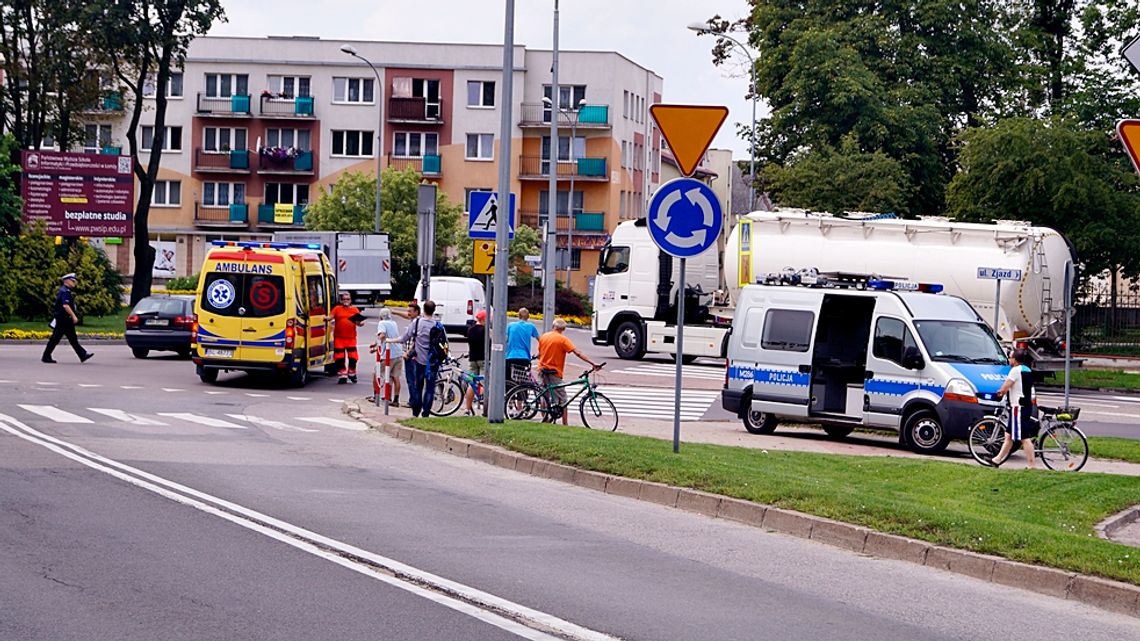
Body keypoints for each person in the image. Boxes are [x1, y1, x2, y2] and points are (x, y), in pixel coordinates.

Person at [537, 318, 601, 425]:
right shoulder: (563, 340)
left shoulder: (544, 337)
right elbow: (578, 353)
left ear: (553, 326)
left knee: (544, 395)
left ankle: (545, 419)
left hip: (542, 370)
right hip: (554, 372)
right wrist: (592, 363)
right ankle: (565, 424)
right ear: (563, 329)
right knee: (563, 398)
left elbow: (540, 354)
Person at [396, 299, 442, 418]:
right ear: (434, 311)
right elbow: (444, 343)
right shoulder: (438, 325)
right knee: (430, 388)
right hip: (433, 362)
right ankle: (425, 413)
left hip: (419, 360)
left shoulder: (417, 323)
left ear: (423, 309)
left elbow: (405, 338)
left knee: (418, 387)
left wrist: (390, 340)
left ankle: (415, 413)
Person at [993, 347, 1037, 469]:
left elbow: (1007, 384)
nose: (1009, 359)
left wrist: (1000, 392)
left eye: (1011, 357)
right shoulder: (1027, 369)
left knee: (1024, 438)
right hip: (1025, 405)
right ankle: (997, 460)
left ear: (1015, 360)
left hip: (1018, 407)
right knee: (1008, 435)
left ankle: (1032, 465)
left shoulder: (1015, 370)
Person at [42, 273, 93, 364]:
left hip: (64, 319)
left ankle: (82, 354)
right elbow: (65, 305)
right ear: (67, 281)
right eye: (73, 281)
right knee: (57, 338)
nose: (74, 283)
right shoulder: (65, 291)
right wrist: (74, 316)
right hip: (64, 319)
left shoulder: (64, 290)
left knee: (69, 338)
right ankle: (46, 356)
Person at [370, 307, 403, 406]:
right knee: (395, 376)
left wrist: (377, 341)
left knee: (376, 373)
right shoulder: (394, 323)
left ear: (381, 316)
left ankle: (376, 395)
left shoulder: (382, 323)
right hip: (398, 352)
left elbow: (383, 336)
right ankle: (395, 399)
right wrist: (376, 346)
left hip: (389, 354)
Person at [330, 292, 365, 384]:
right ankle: (342, 375)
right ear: (341, 300)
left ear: (350, 300)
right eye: (344, 299)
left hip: (351, 338)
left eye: (348, 299)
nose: (346, 301)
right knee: (339, 357)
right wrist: (324, 318)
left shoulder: (354, 310)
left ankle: (352, 373)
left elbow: (359, 322)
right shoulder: (337, 309)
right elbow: (330, 317)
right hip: (339, 338)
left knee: (353, 357)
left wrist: (360, 323)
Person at [505, 307, 540, 385]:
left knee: (508, 380)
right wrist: (539, 353)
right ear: (528, 317)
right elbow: (541, 340)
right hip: (524, 357)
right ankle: (523, 395)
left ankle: (510, 396)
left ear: (519, 316)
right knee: (523, 380)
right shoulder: (531, 326)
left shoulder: (510, 325)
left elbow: (505, 340)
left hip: (511, 356)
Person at [463, 309, 487, 415]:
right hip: (483, 359)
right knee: (483, 383)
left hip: (472, 359)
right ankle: (484, 406)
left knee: (471, 384)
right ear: (483, 319)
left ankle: (467, 409)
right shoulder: (484, 330)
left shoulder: (470, 330)